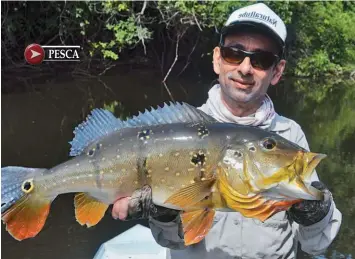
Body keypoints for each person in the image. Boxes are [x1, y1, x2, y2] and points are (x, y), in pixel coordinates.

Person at [111, 3, 342, 259]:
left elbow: (316, 245)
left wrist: (318, 213)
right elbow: (172, 242)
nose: (245, 68)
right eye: (234, 53)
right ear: (217, 60)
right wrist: (164, 215)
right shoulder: (179, 131)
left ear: (277, 72)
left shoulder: (290, 136)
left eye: (261, 60)